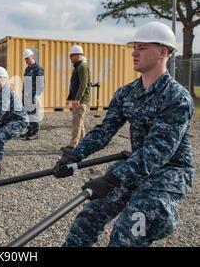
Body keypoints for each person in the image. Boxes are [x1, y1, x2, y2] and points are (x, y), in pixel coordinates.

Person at [54, 21, 194, 247]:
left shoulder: (177, 98)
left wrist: (111, 178)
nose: (134, 52)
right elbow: (104, 130)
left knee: (128, 232)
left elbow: (157, 151)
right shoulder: (126, 93)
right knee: (88, 217)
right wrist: (74, 155)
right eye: (134, 47)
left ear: (163, 52)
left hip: (169, 173)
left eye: (142, 47)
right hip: (135, 168)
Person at [62, 45, 91, 151]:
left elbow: (83, 85)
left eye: (72, 55)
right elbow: (73, 85)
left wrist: (78, 99)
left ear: (78, 55)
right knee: (80, 122)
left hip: (81, 100)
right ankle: (84, 144)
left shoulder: (82, 67)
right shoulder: (77, 67)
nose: (70, 57)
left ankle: (73, 144)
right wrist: (69, 98)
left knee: (77, 122)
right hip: (77, 99)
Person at [21, 49, 45, 140]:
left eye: (27, 59)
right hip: (26, 95)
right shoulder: (27, 69)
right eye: (25, 59)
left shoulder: (38, 69)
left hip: (33, 95)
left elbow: (41, 84)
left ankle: (35, 132)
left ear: (33, 57)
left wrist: (36, 95)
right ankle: (29, 130)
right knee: (28, 113)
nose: (26, 61)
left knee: (34, 113)